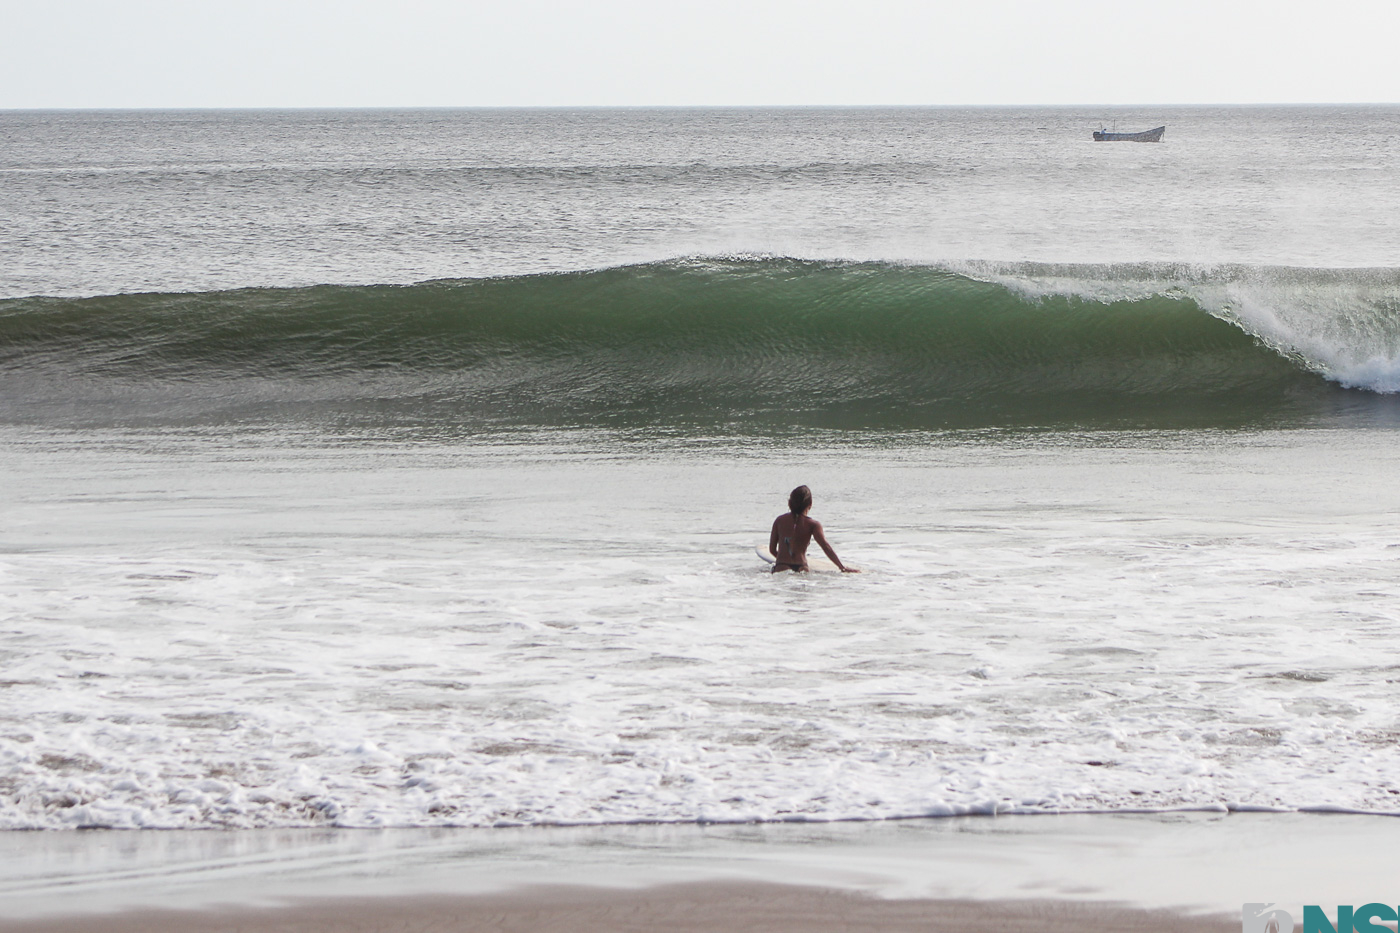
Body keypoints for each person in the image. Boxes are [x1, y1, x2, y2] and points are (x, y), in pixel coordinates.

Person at [768, 485, 859, 573]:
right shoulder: (813, 524)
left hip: (782, 565)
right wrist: (842, 567)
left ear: (789, 503)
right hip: (802, 566)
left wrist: (782, 560)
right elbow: (826, 547)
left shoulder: (779, 521)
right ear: (810, 505)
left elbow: (772, 549)